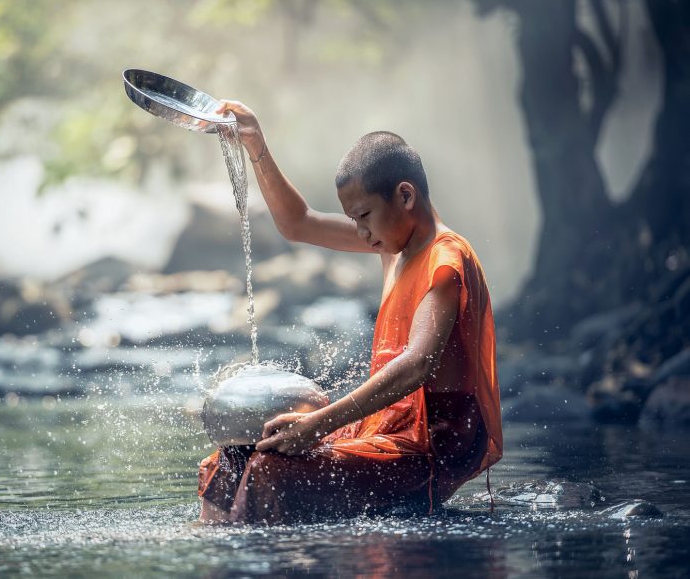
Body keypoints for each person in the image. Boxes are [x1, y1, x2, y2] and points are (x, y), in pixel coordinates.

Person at [197, 101, 503, 525]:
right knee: (231, 457)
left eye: (363, 217)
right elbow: (298, 223)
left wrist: (319, 424)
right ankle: (213, 553)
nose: (361, 233)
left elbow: (417, 364)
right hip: (384, 429)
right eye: (353, 220)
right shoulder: (392, 241)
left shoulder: (444, 259)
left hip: (428, 448)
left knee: (269, 469)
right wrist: (255, 144)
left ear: (405, 196)